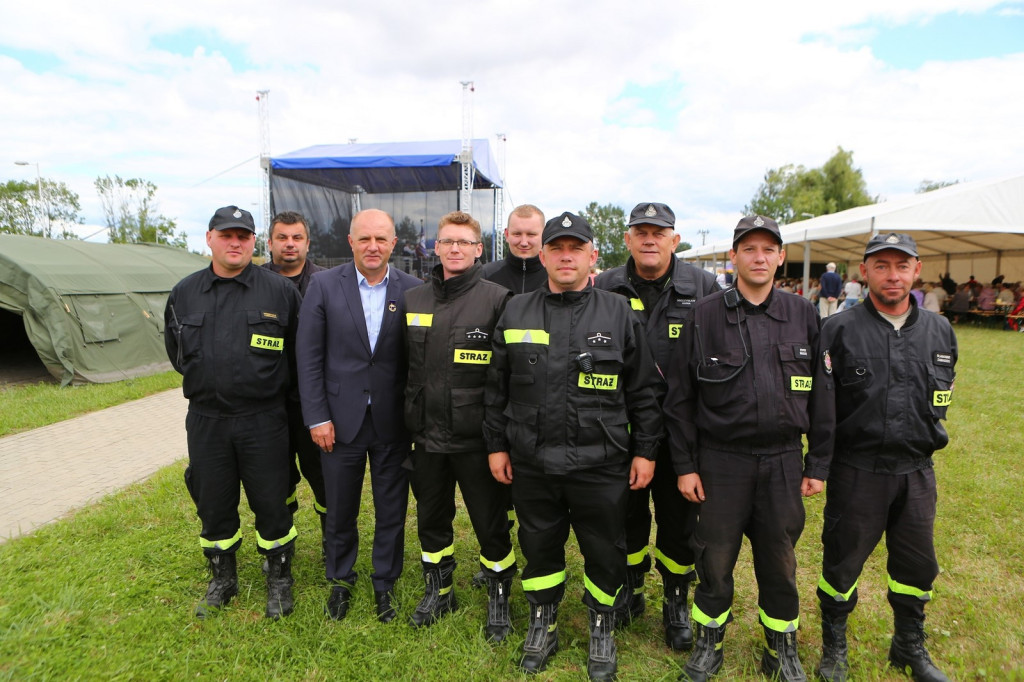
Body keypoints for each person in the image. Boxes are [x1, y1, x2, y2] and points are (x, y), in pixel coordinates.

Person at [483, 212, 664, 681]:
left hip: (600, 460)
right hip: (531, 456)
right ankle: (544, 619)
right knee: (538, 543)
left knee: (605, 547)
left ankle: (602, 622)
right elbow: (496, 387)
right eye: (556, 248)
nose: (566, 256)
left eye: (575, 248)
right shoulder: (516, 310)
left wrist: (645, 450)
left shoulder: (619, 312)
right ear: (540, 255)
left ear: (592, 256)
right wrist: (496, 445)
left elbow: (643, 389)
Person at [664, 215, 834, 682]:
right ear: (734, 256)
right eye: (749, 249)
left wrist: (817, 462)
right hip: (721, 461)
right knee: (714, 560)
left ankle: (781, 649)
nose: (759, 258)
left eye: (768, 249)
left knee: (779, 562)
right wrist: (684, 465)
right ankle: (707, 645)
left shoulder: (803, 315)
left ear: (781, 257)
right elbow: (679, 399)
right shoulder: (704, 315)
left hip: (782, 461)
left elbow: (823, 394)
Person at [816, 233, 957, 682]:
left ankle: (908, 645)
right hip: (857, 469)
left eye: (901, 265)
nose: (892, 275)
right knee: (842, 561)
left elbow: (942, 394)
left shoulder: (941, 331)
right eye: (881, 266)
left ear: (917, 270)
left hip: (917, 471)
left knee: (916, 566)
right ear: (864, 272)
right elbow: (821, 405)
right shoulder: (838, 329)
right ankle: (834, 646)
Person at [165, 205, 302, 620]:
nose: (235, 242)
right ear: (209, 239)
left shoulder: (279, 292)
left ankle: (279, 578)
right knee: (213, 503)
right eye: (227, 235)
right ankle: (223, 578)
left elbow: (300, 354)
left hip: (264, 419)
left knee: (273, 503)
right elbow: (176, 353)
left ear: (254, 242)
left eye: (244, 235)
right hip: (207, 421)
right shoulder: (184, 292)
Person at [593, 201, 719, 651]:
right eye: (641, 232)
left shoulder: (703, 287)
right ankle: (631, 589)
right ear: (626, 239)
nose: (649, 239)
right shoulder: (605, 286)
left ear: (674, 240)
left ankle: (676, 599)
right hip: (619, 428)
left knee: (678, 521)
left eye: (658, 232)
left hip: (681, 431)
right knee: (625, 515)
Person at [296, 208, 421, 623]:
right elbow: (308, 357)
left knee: (391, 509)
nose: (373, 246)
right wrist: (316, 417)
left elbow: (417, 361)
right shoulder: (323, 285)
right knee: (340, 508)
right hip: (338, 421)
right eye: (364, 238)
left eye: (381, 239)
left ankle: (385, 584)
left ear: (393, 244)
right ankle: (341, 581)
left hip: (392, 422)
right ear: (350, 242)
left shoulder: (414, 290)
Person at [403, 211, 517, 639]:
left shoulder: (497, 299)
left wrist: (499, 440)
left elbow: (505, 378)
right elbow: (405, 371)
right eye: (447, 241)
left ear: (478, 249)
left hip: (477, 440)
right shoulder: (414, 301)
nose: (455, 249)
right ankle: (440, 589)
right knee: (431, 520)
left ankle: (498, 597)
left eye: (464, 242)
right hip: (427, 439)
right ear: (435, 247)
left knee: (491, 524)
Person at [262, 211, 328, 556]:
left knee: (324, 479)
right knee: (277, 480)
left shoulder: (328, 283)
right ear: (269, 241)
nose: (290, 244)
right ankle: (282, 545)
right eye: (282, 237)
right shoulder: (253, 284)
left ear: (307, 242)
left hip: (314, 403)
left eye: (297, 237)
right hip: (268, 406)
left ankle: (333, 542)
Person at [482, 204, 548, 294]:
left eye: (531, 234)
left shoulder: (556, 277)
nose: (524, 243)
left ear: (544, 235)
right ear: (507, 234)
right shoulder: (485, 276)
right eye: (517, 234)